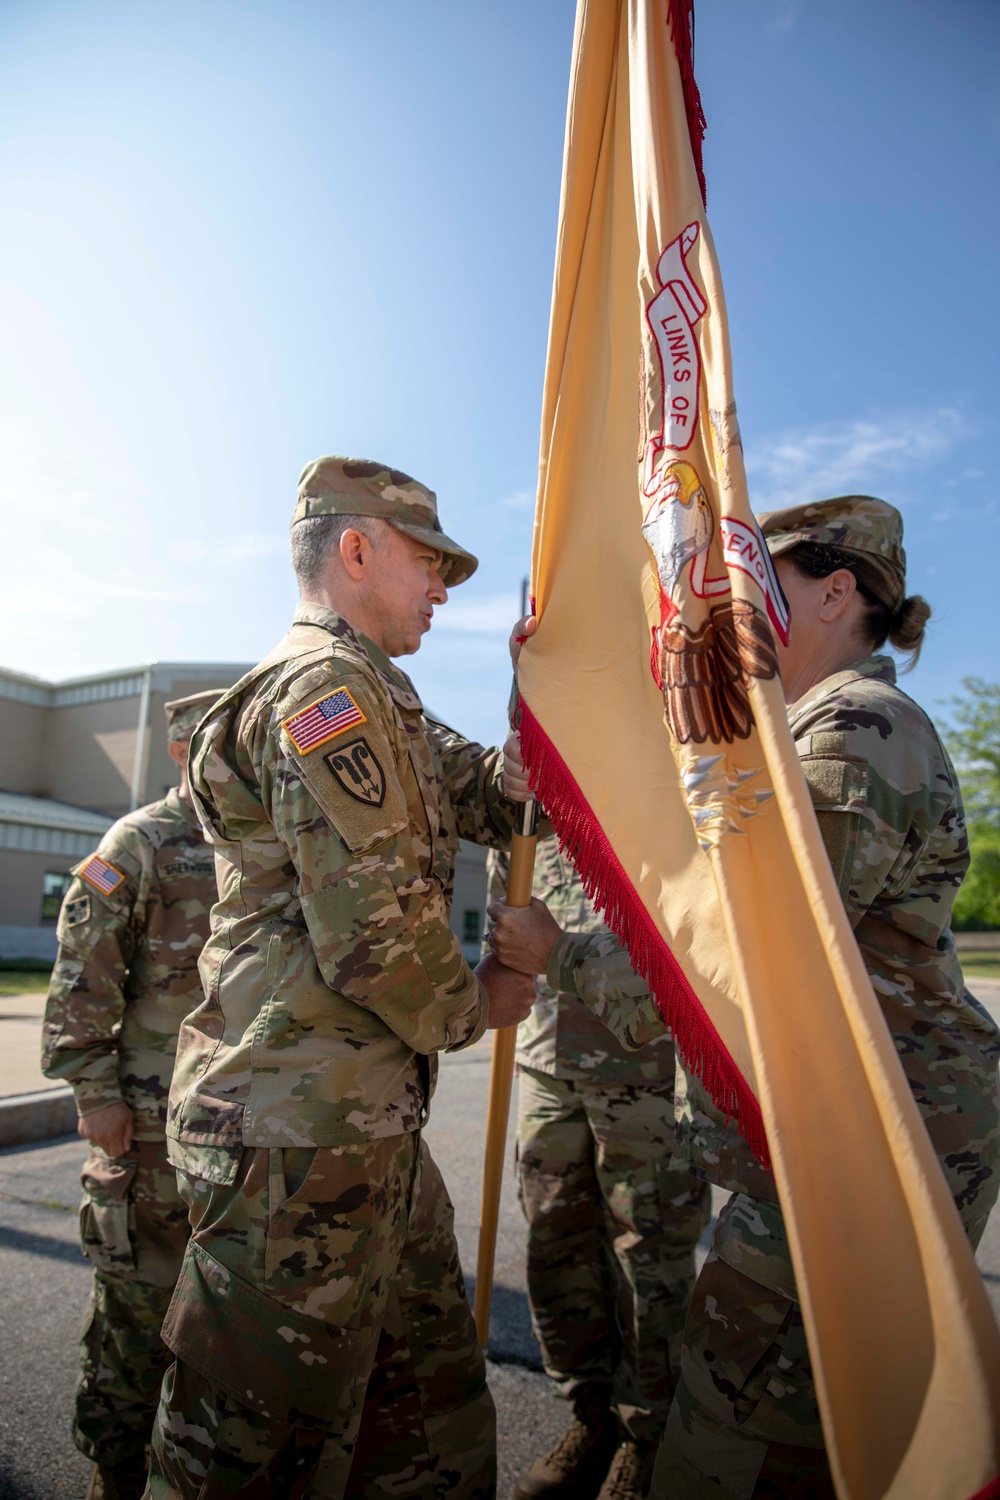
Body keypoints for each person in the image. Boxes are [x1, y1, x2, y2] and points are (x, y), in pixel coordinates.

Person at [488, 496, 1000, 1500]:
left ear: (833, 593)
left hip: (879, 1147)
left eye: (759, 583)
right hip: (841, 1136)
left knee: (741, 1440)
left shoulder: (851, 727)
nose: (729, 606)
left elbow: (754, 948)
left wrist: (560, 957)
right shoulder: (808, 726)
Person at [148, 456, 535, 1500]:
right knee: (243, 1453)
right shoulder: (327, 694)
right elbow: (370, 934)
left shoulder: (387, 699)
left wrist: (551, 702)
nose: (444, 589)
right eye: (429, 562)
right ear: (354, 550)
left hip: (358, 1125)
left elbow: (497, 799)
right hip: (293, 1135)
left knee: (419, 1409)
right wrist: (484, 1001)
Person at [486, 842, 710, 1500]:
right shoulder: (536, 795)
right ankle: (590, 1416)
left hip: (644, 1062)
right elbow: (507, 903)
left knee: (648, 1252)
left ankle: (647, 1437)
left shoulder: (661, 770)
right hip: (545, 1054)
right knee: (555, 1239)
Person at [41, 689, 222, 1500]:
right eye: (215, 743)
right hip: (145, 1130)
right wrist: (93, 1091)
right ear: (183, 750)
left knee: (221, 1331)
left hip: (236, 1131)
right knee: (134, 1321)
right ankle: (112, 1473)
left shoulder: (264, 841)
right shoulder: (142, 842)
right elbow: (83, 979)